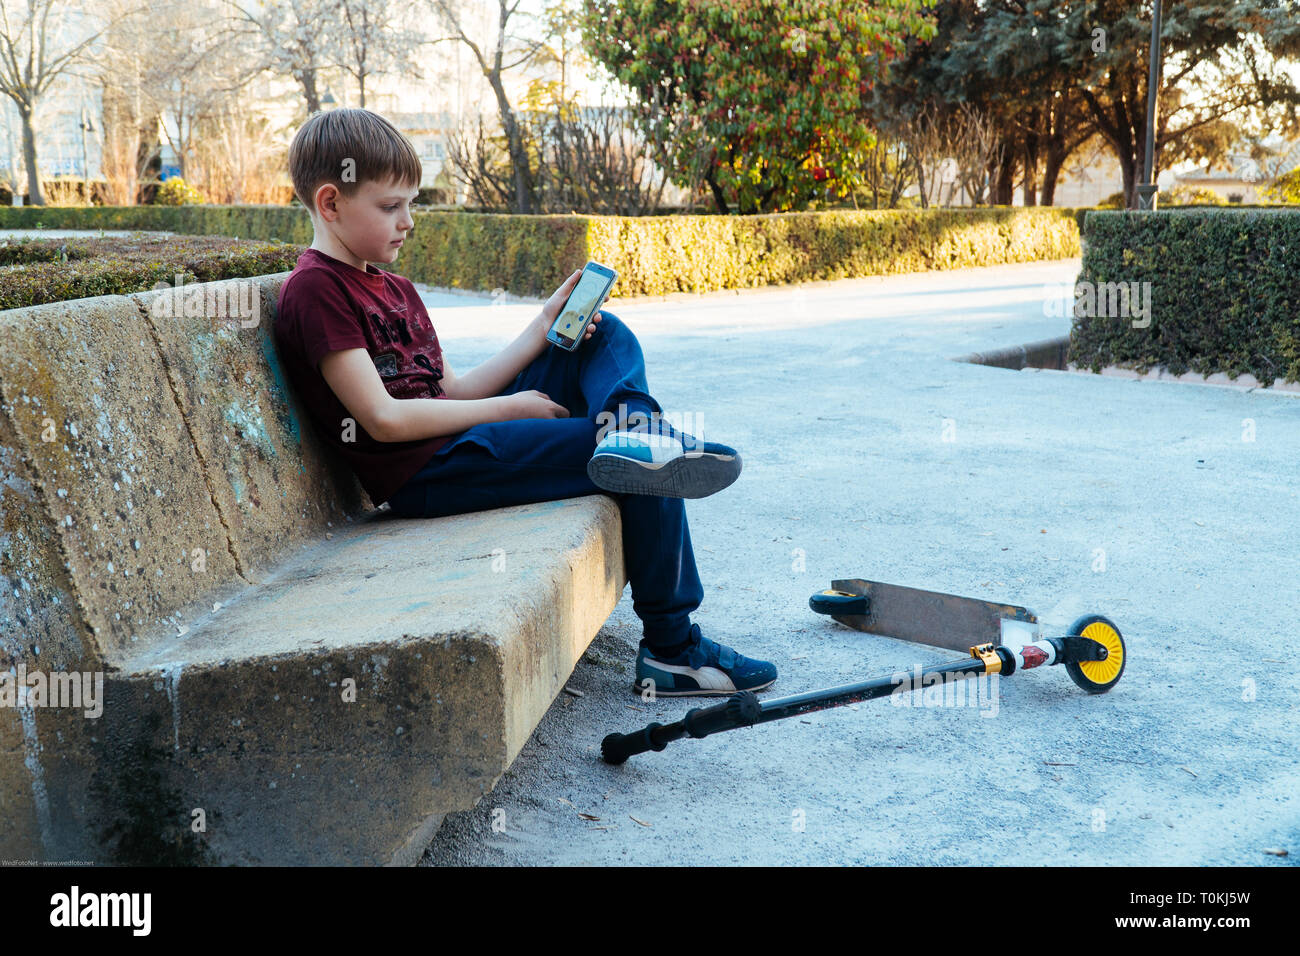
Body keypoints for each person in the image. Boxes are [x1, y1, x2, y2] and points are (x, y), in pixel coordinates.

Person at [273, 107, 777, 697]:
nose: (407, 222)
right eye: (391, 207)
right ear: (330, 203)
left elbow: (452, 390)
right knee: (639, 467)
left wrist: (541, 326)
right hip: (427, 468)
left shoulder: (396, 287)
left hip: (461, 435)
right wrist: (509, 409)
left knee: (601, 333)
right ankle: (673, 648)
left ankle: (637, 429)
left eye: (411, 204)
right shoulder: (315, 290)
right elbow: (383, 420)